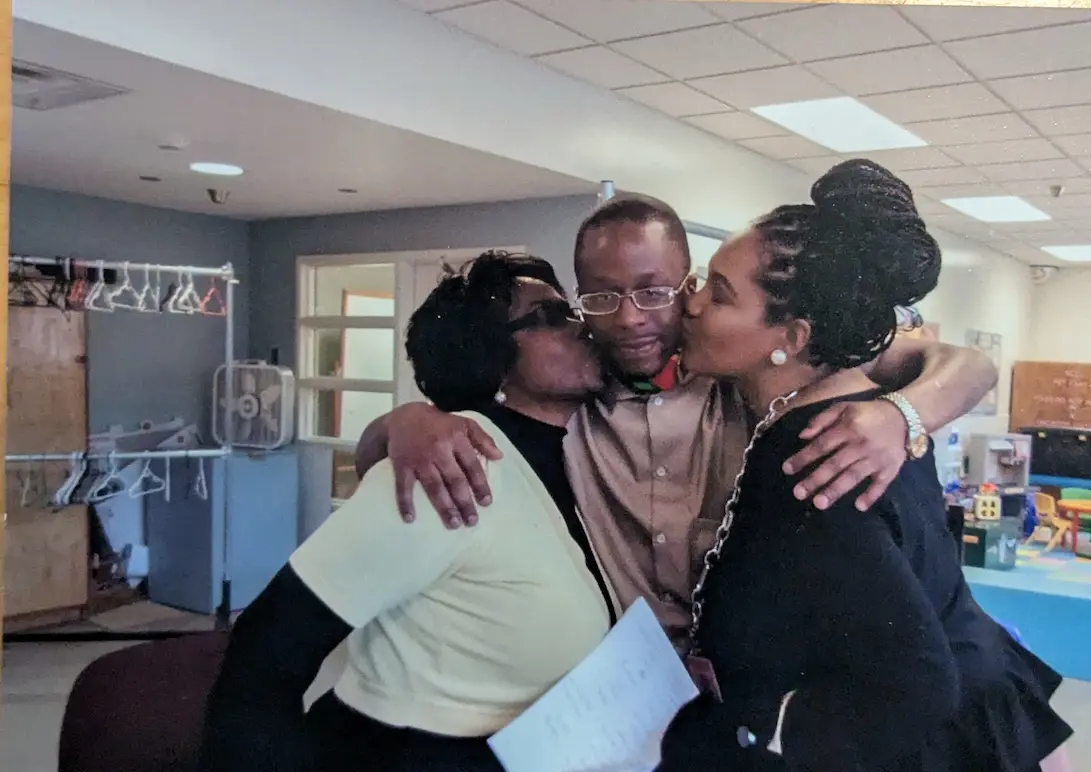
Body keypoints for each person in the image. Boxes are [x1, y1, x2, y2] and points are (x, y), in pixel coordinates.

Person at [632, 159, 1073, 772]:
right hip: (979, 740)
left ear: (793, 337)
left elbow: (916, 680)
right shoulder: (856, 407)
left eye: (717, 294)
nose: (689, 304)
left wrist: (763, 720)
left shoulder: (816, 457)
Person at [354, 194, 999, 650]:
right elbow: (385, 447)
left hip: (752, 671)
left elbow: (968, 363)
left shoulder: (748, 369)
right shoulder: (573, 387)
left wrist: (904, 413)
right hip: (630, 675)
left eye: (654, 291)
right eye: (603, 297)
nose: (631, 318)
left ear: (689, 286)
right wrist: (409, 419)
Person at [195, 252, 618, 772]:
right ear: (489, 355)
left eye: (570, 308)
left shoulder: (583, 455)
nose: (580, 324)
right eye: (548, 315)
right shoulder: (453, 469)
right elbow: (269, 645)